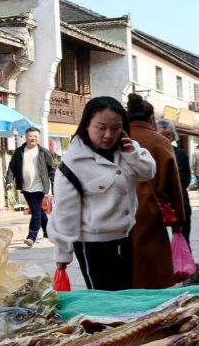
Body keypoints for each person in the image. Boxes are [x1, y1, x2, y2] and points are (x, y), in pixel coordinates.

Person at [47, 96, 155, 290]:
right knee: (105, 299)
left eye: (116, 128)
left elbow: (148, 172)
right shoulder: (74, 163)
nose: (108, 135)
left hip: (126, 238)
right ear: (87, 125)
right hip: (93, 246)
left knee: (126, 294)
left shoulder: (128, 149)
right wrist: (63, 253)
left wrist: (132, 155)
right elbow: (66, 212)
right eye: (101, 127)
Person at [128, 94, 185, 289]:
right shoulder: (160, 142)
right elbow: (174, 185)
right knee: (152, 271)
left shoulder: (116, 138)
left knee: (127, 267)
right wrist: (180, 219)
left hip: (117, 211)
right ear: (151, 119)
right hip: (151, 211)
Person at [5, 127, 56, 247]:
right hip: (25, 186)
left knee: (35, 210)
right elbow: (12, 167)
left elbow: (52, 170)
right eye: (31, 136)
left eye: (36, 137)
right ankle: (48, 232)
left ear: (39, 138)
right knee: (37, 210)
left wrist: (55, 186)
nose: (33, 138)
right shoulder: (19, 151)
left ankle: (31, 237)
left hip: (39, 186)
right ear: (26, 137)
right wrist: (9, 181)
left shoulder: (43, 152)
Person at [156, 119, 192, 248]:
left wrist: (178, 189)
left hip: (180, 200)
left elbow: (187, 176)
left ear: (173, 136)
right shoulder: (151, 153)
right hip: (159, 202)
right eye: (162, 136)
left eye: (169, 136)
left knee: (183, 235)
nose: (166, 139)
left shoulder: (180, 153)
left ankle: (184, 266)